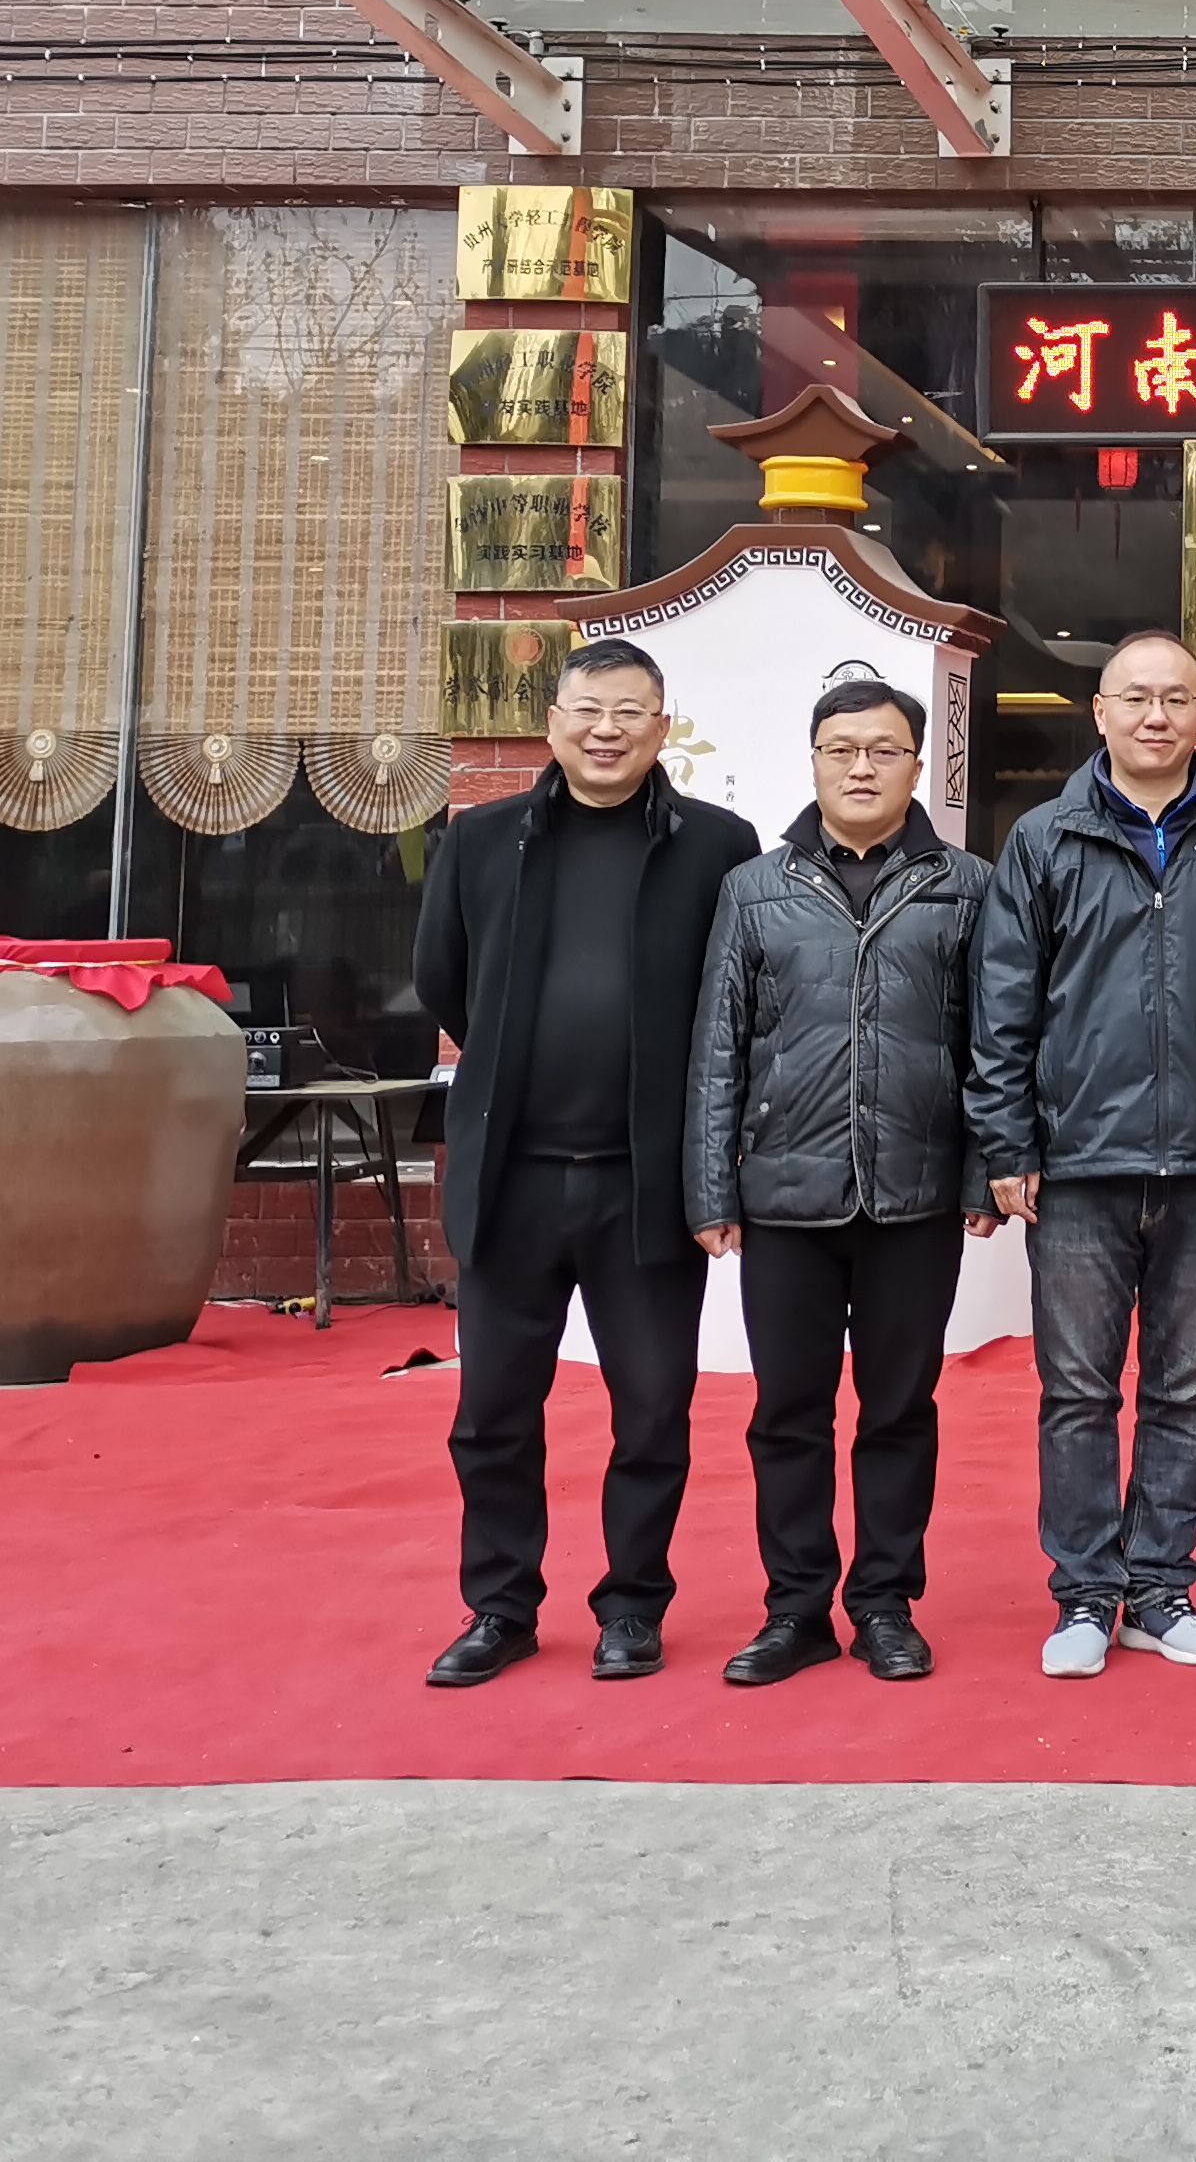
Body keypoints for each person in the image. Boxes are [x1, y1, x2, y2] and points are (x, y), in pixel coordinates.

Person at [414, 638, 759, 1688]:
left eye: (629, 713)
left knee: (651, 1409)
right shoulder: (480, 840)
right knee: (492, 1413)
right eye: (587, 710)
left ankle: (633, 1606)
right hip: (511, 1177)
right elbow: (441, 980)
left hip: (643, 1183)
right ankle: (500, 1607)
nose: (606, 731)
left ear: (663, 728)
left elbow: (736, 999)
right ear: (553, 722)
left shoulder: (716, 845)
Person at [968, 629, 1196, 1679]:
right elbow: (1003, 1004)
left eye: (1178, 699)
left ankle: (1159, 1589)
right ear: (1099, 712)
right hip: (1077, 1164)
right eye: (1137, 698)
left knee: (1185, 1390)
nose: (1158, 716)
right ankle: (1082, 1594)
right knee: (1077, 1391)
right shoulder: (1043, 840)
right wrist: (1007, 1141)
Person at [684, 674, 992, 1688]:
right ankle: (796, 1608)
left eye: (884, 750)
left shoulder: (966, 885)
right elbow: (718, 1047)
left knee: (899, 1410)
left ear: (918, 765)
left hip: (915, 1193)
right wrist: (710, 1189)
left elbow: (992, 1044)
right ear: (814, 762)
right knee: (788, 1413)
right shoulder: (754, 888)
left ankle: (886, 1605)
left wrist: (982, 1173)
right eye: (841, 750)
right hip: (785, 1195)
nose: (862, 767)